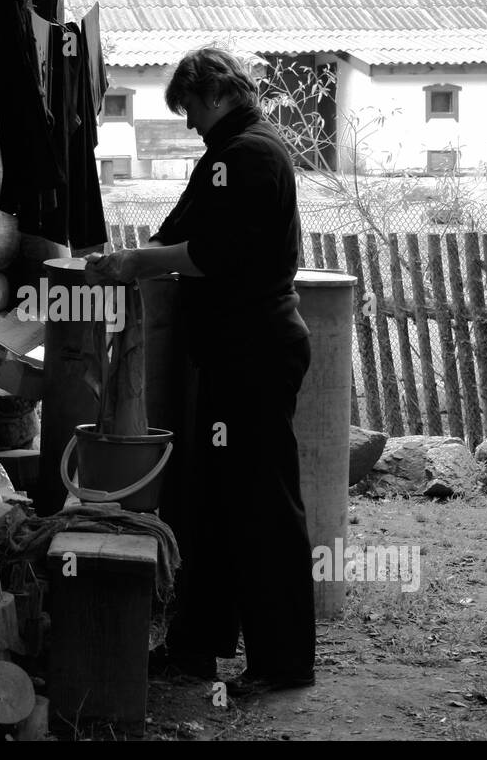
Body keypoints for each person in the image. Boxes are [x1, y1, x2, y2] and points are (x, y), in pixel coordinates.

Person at [84, 47, 315, 698]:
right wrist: (142, 256)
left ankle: (285, 661)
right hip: (235, 352)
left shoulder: (248, 156)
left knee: (264, 507)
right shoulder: (233, 151)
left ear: (213, 93)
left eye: (188, 109)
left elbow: (212, 253)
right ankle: (201, 646)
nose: (187, 124)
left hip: (256, 352)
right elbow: (184, 227)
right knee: (216, 501)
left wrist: (136, 266)